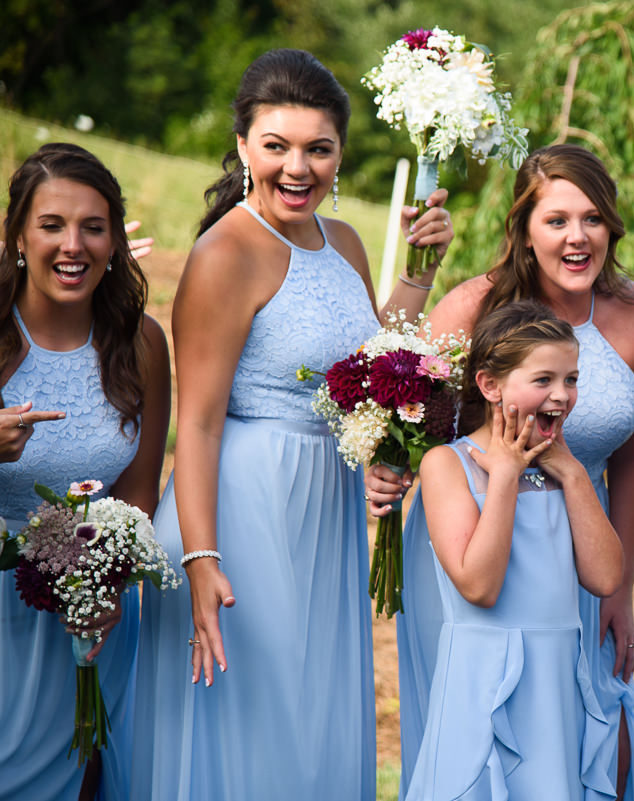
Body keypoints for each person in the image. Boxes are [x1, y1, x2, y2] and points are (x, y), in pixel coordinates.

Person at [130, 49, 452, 800]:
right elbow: (198, 425)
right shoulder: (224, 254)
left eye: (318, 148)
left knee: (310, 719)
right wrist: (202, 559)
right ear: (244, 146)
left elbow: (368, 360)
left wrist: (418, 270)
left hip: (323, 508)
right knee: (257, 724)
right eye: (276, 146)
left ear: (341, 154)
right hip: (243, 506)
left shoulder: (340, 241)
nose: (297, 167)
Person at [367, 143, 634, 800]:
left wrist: (617, 593)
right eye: (556, 219)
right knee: (481, 735)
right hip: (479, 527)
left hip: (583, 536)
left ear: (611, 224)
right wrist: (390, 468)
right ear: (525, 228)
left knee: (594, 733)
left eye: (592, 218)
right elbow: (410, 412)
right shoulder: (474, 307)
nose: (577, 236)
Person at [0, 143, 170, 800]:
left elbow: (139, 488)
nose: (74, 245)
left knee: (79, 777)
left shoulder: (141, 342)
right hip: (4, 617)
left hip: (89, 614)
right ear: (18, 235)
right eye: (52, 225)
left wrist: (106, 581)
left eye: (93, 227)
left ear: (114, 239)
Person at [405, 299, 623, 800]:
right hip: (485, 677)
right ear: (489, 385)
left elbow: (607, 577)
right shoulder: (448, 465)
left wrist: (571, 473)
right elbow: (479, 586)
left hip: (555, 678)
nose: (562, 395)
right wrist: (503, 475)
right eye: (543, 380)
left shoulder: (563, 471)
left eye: (571, 380)